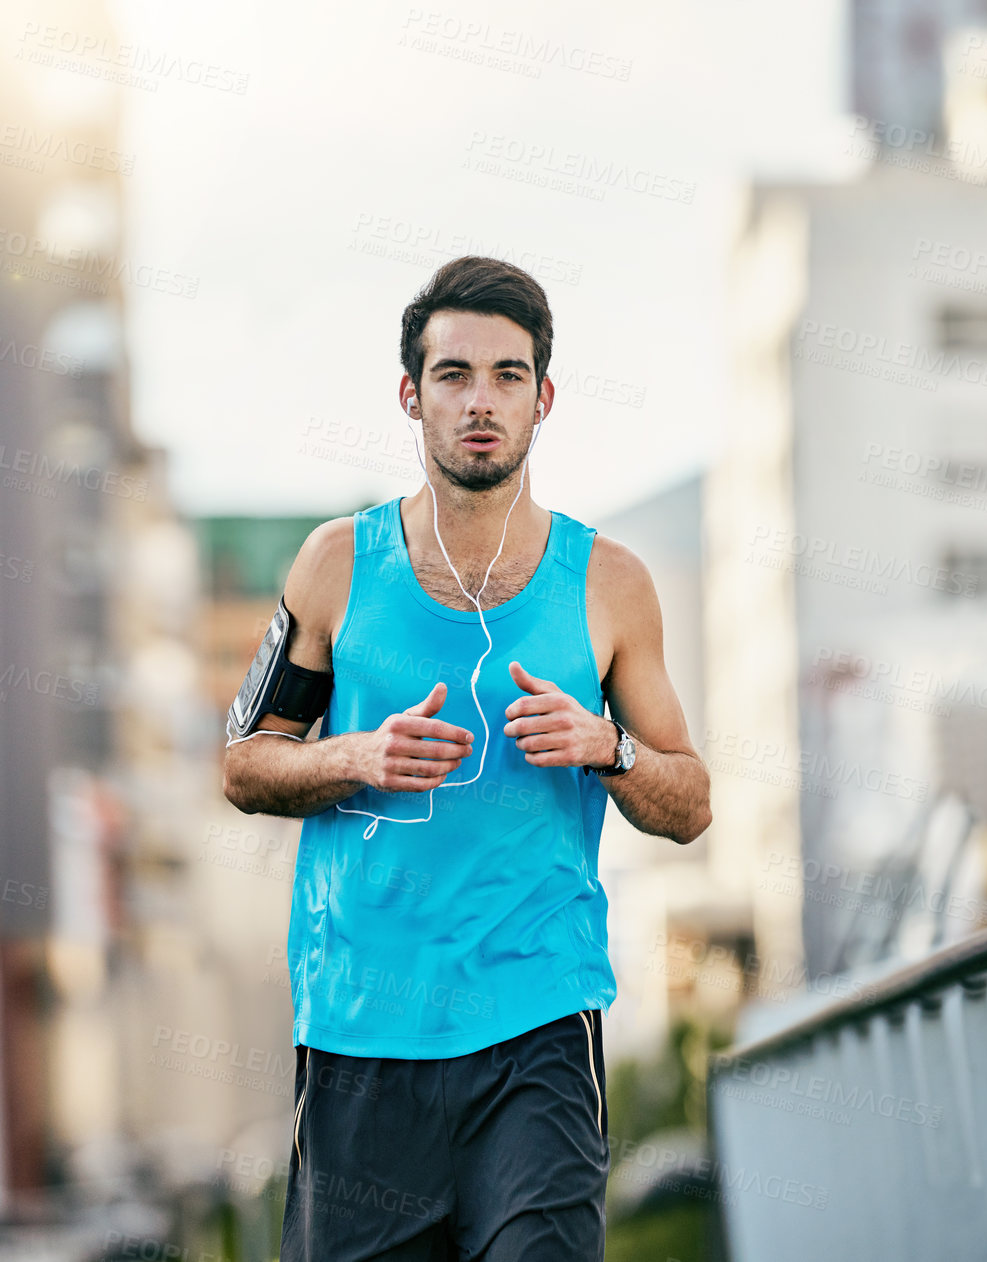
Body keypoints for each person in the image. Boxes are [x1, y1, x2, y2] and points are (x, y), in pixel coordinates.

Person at [221, 254, 711, 1261]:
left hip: (535, 1025)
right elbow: (244, 762)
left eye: (507, 374)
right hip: (362, 1030)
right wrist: (356, 753)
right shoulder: (333, 564)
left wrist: (605, 743)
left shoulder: (608, 584)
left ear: (544, 399)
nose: (479, 400)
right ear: (411, 394)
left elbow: (690, 798)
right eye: (453, 375)